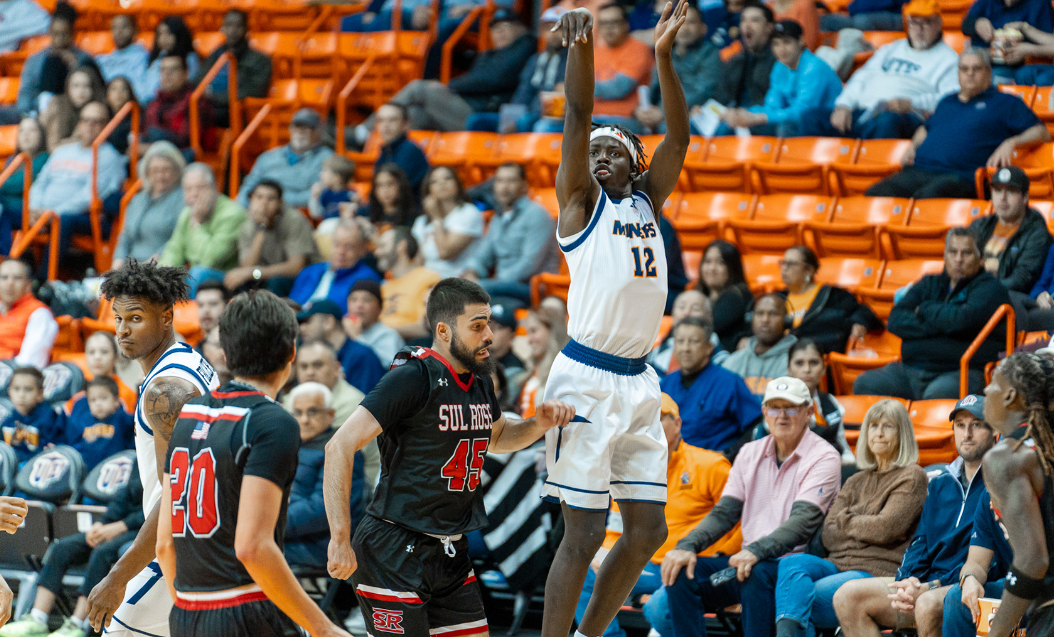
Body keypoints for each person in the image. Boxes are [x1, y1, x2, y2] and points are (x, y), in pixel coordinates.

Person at [542, 3, 691, 636]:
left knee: (648, 529)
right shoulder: (581, 205)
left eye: (613, 150)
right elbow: (577, 115)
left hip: (638, 379)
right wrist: (581, 50)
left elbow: (679, 138)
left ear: (635, 164)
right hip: (585, 375)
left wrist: (661, 56)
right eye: (593, 151)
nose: (598, 155)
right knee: (582, 531)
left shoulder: (648, 203)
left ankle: (587, 634)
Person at [323, 278, 575, 637]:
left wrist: (539, 424)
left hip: (450, 549)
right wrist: (339, 538)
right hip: (392, 548)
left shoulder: (480, 381)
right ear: (443, 330)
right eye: (477, 325)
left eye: (488, 323)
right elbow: (339, 446)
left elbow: (499, 437)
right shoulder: (412, 377)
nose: (488, 333)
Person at [155, 290, 350, 637]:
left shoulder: (188, 415)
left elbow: (165, 545)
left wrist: (190, 613)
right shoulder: (272, 421)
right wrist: (323, 628)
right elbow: (252, 547)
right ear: (292, 352)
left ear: (226, 354)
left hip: (185, 611)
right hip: (245, 611)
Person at [83, 260, 219, 637]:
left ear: (166, 316)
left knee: (116, 630)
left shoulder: (167, 389)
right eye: (118, 318)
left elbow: (181, 496)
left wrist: (117, 577)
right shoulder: (189, 361)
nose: (122, 331)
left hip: (181, 546)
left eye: (136, 319)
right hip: (200, 541)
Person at [662, 376, 842, 637]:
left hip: (792, 569)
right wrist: (686, 546)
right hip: (743, 566)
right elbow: (724, 514)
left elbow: (803, 523)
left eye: (790, 408)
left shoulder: (824, 456)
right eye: (774, 408)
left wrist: (756, 551)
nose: (782, 416)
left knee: (755, 572)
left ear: (809, 412)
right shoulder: (749, 452)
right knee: (682, 572)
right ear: (764, 413)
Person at [578, 393, 742, 637]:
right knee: (580, 572)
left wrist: (719, 555)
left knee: (660, 607)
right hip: (647, 566)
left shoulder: (710, 465)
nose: (650, 426)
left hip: (691, 566)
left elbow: (740, 519)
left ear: (677, 423)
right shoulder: (629, 469)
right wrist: (604, 553)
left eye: (659, 418)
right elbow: (617, 525)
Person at [833, 394, 996, 637]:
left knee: (927, 604)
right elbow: (920, 542)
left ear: (995, 431)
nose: (967, 433)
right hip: (926, 584)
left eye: (976, 424)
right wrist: (908, 581)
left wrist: (930, 586)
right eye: (960, 425)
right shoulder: (941, 483)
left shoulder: (1000, 483)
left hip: (965, 584)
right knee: (848, 596)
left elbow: (992, 558)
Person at [773, 399, 928, 637]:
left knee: (802, 596)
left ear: (903, 434)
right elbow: (829, 535)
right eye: (874, 426)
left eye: (888, 426)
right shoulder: (855, 479)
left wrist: (847, 521)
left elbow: (886, 529)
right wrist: (864, 527)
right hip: (836, 566)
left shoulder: (912, 476)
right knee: (790, 564)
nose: (879, 433)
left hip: (874, 573)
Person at [865, 48, 1049, 199]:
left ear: (988, 72)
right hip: (919, 170)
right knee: (875, 194)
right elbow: (926, 128)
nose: (970, 74)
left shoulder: (1006, 102)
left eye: (976, 69)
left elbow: (1042, 132)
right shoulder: (947, 101)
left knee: (926, 199)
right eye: (964, 69)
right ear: (958, 73)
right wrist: (913, 145)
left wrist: (1012, 142)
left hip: (961, 176)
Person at [853, 228, 1011, 399]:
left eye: (966, 253)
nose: (958, 259)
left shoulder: (990, 289)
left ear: (981, 260)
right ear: (944, 256)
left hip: (961, 372)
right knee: (865, 383)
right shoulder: (929, 283)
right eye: (953, 252)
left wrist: (925, 309)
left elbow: (960, 320)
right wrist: (942, 327)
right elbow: (895, 320)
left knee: (937, 394)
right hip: (911, 369)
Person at [0, 465, 142, 637]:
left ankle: (78, 624)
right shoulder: (140, 455)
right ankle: (37, 618)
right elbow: (124, 497)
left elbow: (158, 509)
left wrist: (121, 526)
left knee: (102, 552)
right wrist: (102, 522)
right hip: (115, 525)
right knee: (61, 547)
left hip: (142, 530)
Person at [800, 0, 960, 140]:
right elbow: (861, 77)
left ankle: (874, 171)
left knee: (887, 122)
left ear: (939, 23)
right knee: (811, 118)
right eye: (914, 22)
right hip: (863, 111)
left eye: (926, 22)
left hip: (903, 115)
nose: (919, 29)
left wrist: (911, 103)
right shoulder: (891, 48)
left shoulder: (949, 59)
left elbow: (949, 99)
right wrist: (844, 106)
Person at [977, 352, 1054, 636]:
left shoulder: (1006, 457)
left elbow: (1033, 560)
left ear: (1010, 395)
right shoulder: (1045, 450)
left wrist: (998, 631)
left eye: (993, 382)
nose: (985, 390)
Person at [28, 101, 126, 266]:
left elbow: (90, 196)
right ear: (79, 124)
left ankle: (43, 281)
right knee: (5, 212)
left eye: (96, 121)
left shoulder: (109, 156)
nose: (90, 126)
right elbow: (40, 183)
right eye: (85, 120)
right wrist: (32, 210)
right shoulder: (62, 151)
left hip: (81, 216)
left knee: (64, 220)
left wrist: (50, 214)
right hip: (41, 213)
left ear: (107, 126)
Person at [283, 382, 365, 570]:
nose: (304, 419)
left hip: (323, 543)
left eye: (312, 412)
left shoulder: (341, 450)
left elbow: (322, 510)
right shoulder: (289, 446)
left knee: (252, 550)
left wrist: (275, 524)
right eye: (297, 412)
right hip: (292, 534)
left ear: (330, 415)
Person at [720, 20, 840, 137]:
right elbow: (772, 106)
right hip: (796, 121)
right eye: (776, 44)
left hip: (827, 123)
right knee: (730, 123)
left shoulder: (813, 67)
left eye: (787, 42)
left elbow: (802, 111)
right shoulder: (780, 67)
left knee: (784, 126)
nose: (781, 49)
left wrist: (758, 117)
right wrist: (743, 113)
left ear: (801, 41)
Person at [659, 317, 761, 453]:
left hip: (713, 466)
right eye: (680, 341)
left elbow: (756, 425)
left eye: (693, 341)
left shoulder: (728, 382)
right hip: (671, 465)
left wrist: (730, 453)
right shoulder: (665, 384)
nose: (686, 348)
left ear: (709, 347)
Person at [462, 163, 559, 305]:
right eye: (499, 181)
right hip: (499, 287)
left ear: (524, 186)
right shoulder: (498, 217)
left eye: (511, 181)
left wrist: (495, 282)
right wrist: (471, 271)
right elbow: (482, 254)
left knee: (473, 292)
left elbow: (529, 265)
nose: (504, 187)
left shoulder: (537, 215)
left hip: (531, 288)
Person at [465, 6, 570, 133]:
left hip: (551, 118)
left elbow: (559, 102)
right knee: (477, 121)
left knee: (536, 125)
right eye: (548, 28)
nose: (553, 33)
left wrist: (520, 120)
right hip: (527, 114)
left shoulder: (574, 60)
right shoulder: (536, 59)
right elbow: (523, 92)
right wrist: (512, 116)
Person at [968, 165, 1054, 316]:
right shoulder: (979, 226)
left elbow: (1021, 280)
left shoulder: (1037, 234)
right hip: (975, 296)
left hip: (1006, 301)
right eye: (997, 190)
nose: (1003, 197)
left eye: (1011, 191)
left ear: (1025, 197)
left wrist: (979, 291)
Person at [158, 163, 248, 294]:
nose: (194, 194)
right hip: (196, 276)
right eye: (188, 189)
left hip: (227, 280)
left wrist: (198, 224)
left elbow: (210, 260)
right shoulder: (187, 213)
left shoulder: (232, 214)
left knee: (198, 273)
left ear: (214, 188)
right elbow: (174, 249)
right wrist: (164, 270)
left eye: (200, 188)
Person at [634, 2, 721, 133]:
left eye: (691, 22)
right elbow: (653, 90)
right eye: (679, 22)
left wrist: (663, 112)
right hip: (661, 114)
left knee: (671, 127)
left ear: (703, 28)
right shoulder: (664, 53)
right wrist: (641, 111)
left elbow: (701, 92)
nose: (684, 28)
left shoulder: (710, 54)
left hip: (694, 113)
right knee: (626, 128)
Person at [777, 245, 881, 354]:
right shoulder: (776, 298)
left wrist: (858, 322)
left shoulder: (833, 295)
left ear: (809, 270)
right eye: (783, 263)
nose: (784, 268)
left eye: (791, 264)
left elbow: (863, 312)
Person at [225, 180, 319, 297]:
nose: (264, 203)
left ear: (280, 203)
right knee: (238, 282)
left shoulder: (294, 220)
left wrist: (254, 273)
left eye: (270, 199)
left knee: (275, 282)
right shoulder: (247, 226)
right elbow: (247, 266)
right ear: (251, 200)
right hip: (265, 276)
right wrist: (261, 229)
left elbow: (296, 267)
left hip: (303, 280)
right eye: (259, 197)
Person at [236, 109, 333, 208]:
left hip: (293, 214)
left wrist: (274, 199)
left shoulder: (326, 158)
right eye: (297, 125)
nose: (300, 131)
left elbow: (317, 194)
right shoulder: (269, 156)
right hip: (259, 209)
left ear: (318, 131)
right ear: (290, 128)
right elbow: (248, 188)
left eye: (307, 127)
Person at [112, 141, 186, 270]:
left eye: (166, 170)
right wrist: (118, 260)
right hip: (132, 266)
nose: (160, 176)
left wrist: (151, 262)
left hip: (162, 265)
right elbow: (125, 237)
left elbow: (178, 239)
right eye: (155, 170)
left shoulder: (182, 199)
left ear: (176, 171)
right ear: (147, 172)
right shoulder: (138, 199)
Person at [195, 9, 271, 128]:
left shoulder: (260, 60)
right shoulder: (216, 54)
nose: (232, 31)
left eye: (238, 26)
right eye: (228, 25)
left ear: (246, 29)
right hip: (210, 106)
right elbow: (199, 79)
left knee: (201, 114)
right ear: (222, 28)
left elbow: (254, 91)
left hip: (237, 111)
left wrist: (216, 97)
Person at [586, 3, 655, 133]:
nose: (608, 28)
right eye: (603, 23)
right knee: (548, 127)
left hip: (627, 119)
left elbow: (619, 88)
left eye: (614, 22)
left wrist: (580, 88)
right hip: (591, 117)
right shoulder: (594, 53)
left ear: (626, 24)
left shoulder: (638, 49)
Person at [15, 2, 93, 116]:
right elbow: (25, 96)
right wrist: (30, 116)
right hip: (38, 114)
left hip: (73, 114)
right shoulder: (35, 60)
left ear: (73, 34)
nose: (60, 39)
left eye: (64, 34)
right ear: (50, 32)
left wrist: (75, 68)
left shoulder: (84, 59)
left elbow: (92, 91)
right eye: (56, 34)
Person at [289, 219, 382, 314]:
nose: (341, 252)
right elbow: (291, 305)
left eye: (349, 247)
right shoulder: (309, 271)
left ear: (362, 250)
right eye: (337, 245)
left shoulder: (367, 280)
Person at [296, 300, 385, 395]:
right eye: (301, 323)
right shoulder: (311, 356)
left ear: (328, 322)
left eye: (308, 322)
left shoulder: (362, 357)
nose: (302, 329)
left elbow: (364, 404)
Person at [786, 338, 853, 463]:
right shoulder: (779, 406)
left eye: (814, 362)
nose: (807, 369)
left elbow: (844, 451)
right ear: (789, 369)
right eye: (799, 363)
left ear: (823, 368)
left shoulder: (831, 403)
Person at [411, 167, 484, 279]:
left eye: (448, 178)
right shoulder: (421, 222)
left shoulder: (468, 213)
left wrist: (436, 218)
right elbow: (417, 263)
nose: (442, 183)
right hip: (426, 281)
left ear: (457, 184)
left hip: (456, 281)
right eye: (435, 181)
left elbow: (445, 253)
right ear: (428, 189)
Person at [721, 293, 797, 397]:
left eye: (773, 313)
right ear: (750, 319)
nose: (765, 319)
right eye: (760, 313)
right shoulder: (733, 362)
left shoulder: (796, 362)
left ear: (787, 320)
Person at [374, 226, 441, 340]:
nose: (376, 252)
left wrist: (380, 330)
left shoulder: (428, 277)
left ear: (401, 246)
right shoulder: (384, 286)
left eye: (383, 246)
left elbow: (426, 328)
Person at [962, 0, 1054, 80]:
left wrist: (1026, 47)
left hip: (1017, 66)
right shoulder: (987, 2)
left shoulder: (1039, 3)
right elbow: (965, 25)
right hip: (984, 60)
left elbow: (1049, 43)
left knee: (993, 77)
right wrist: (977, 23)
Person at [648, 289, 730, 376]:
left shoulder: (723, 361)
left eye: (695, 308)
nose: (686, 313)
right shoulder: (656, 353)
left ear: (709, 317)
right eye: (681, 307)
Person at [143, 54, 213, 151]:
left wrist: (152, 147)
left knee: (154, 133)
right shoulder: (154, 102)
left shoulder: (196, 100)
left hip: (185, 153)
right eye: (163, 70)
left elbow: (186, 139)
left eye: (173, 69)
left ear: (186, 74)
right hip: (156, 154)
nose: (167, 74)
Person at [64, 376, 134, 471]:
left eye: (104, 398)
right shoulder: (84, 422)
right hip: (89, 474)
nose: (98, 403)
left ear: (116, 401)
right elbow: (75, 447)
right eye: (93, 400)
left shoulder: (122, 419)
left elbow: (140, 419)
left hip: (116, 471)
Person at [0, 118, 48, 253]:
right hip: (10, 209)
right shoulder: (11, 160)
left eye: (32, 130)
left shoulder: (44, 159)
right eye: (22, 130)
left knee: (2, 210)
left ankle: (3, 256)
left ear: (42, 135)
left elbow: (17, 185)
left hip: (28, 212)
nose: (26, 135)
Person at [695, 239, 752, 352]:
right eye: (707, 261)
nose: (712, 268)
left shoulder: (737, 295)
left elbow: (705, 327)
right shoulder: (698, 294)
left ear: (732, 267)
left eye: (720, 262)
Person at [0, 259, 57, 368]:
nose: (10, 283)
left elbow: (31, 363)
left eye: (17, 278)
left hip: (14, 376)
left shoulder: (39, 313)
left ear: (28, 285)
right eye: (4, 277)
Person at [361, 104, 429, 194]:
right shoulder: (385, 151)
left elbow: (393, 194)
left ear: (406, 125)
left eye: (392, 120)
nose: (386, 125)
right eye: (381, 121)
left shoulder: (410, 151)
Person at [0, 366, 62, 465]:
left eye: (28, 389)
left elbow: (58, 447)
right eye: (16, 389)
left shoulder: (49, 418)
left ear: (40, 394)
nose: (21, 395)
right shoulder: (8, 421)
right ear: (9, 392)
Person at [518, 306, 570, 418]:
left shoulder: (565, 372)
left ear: (552, 330)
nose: (529, 340)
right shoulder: (532, 369)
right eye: (528, 332)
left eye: (534, 331)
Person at [39, 65, 105, 152]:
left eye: (86, 86)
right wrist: (79, 139)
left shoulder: (96, 109)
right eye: (76, 86)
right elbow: (53, 148)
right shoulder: (58, 106)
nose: (81, 91)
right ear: (68, 88)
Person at [70, 330, 137, 411]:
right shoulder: (77, 391)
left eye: (104, 352)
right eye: (91, 352)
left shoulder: (128, 393)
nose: (97, 357)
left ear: (115, 357)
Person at [345, 279, 404, 366]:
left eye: (367, 300)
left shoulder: (388, 334)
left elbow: (384, 368)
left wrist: (357, 337)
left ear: (380, 307)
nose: (359, 305)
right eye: (354, 300)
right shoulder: (343, 332)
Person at [141, 17, 200, 103]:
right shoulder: (156, 59)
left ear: (178, 34)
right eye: (160, 34)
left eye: (168, 33)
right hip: (150, 105)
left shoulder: (190, 58)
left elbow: (187, 86)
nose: (163, 38)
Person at [95, 15, 148, 100]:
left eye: (124, 26)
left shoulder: (144, 56)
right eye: (115, 27)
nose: (119, 31)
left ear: (135, 30)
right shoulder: (101, 60)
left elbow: (142, 93)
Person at [360, 163, 419, 228]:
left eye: (390, 184)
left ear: (401, 186)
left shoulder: (414, 218)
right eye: (380, 185)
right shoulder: (365, 214)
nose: (385, 190)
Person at [308, 155, 358, 222]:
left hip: (344, 225)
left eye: (324, 171)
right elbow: (316, 214)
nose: (320, 174)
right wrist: (314, 197)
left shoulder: (350, 194)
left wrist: (357, 203)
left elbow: (357, 212)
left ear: (336, 177)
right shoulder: (325, 193)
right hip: (328, 225)